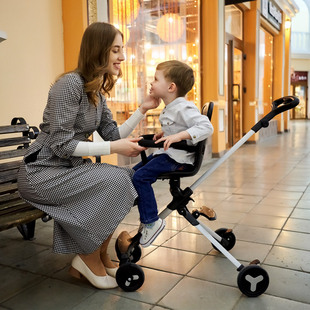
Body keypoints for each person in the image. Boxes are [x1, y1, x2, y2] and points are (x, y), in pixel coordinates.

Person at [17, 22, 160, 290]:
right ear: (99, 50)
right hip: (42, 172)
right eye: (116, 50)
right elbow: (61, 145)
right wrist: (114, 149)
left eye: (122, 50)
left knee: (131, 176)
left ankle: (99, 254)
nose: (123, 57)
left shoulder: (96, 92)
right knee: (118, 181)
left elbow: (112, 135)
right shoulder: (69, 85)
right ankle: (87, 257)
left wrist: (143, 109)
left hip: (66, 169)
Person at [132, 60, 214, 248]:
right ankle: (142, 204)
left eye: (155, 79)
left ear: (171, 87)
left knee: (140, 177)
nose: (151, 83)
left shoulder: (184, 107)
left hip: (176, 159)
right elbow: (177, 128)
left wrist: (178, 136)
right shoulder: (172, 107)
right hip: (169, 155)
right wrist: (167, 134)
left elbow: (206, 126)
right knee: (133, 173)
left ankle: (151, 221)